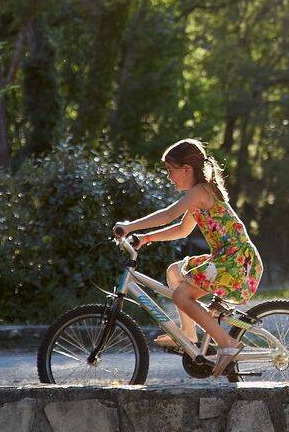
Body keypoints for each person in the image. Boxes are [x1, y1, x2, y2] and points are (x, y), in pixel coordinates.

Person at [113, 138, 263, 378]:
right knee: (175, 271)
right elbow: (182, 229)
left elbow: (168, 214)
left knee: (181, 296)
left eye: (170, 170)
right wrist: (147, 238)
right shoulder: (198, 195)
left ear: (186, 169)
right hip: (227, 259)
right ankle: (189, 333)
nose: (169, 176)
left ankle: (227, 343)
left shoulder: (201, 191)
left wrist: (129, 226)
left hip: (236, 262)